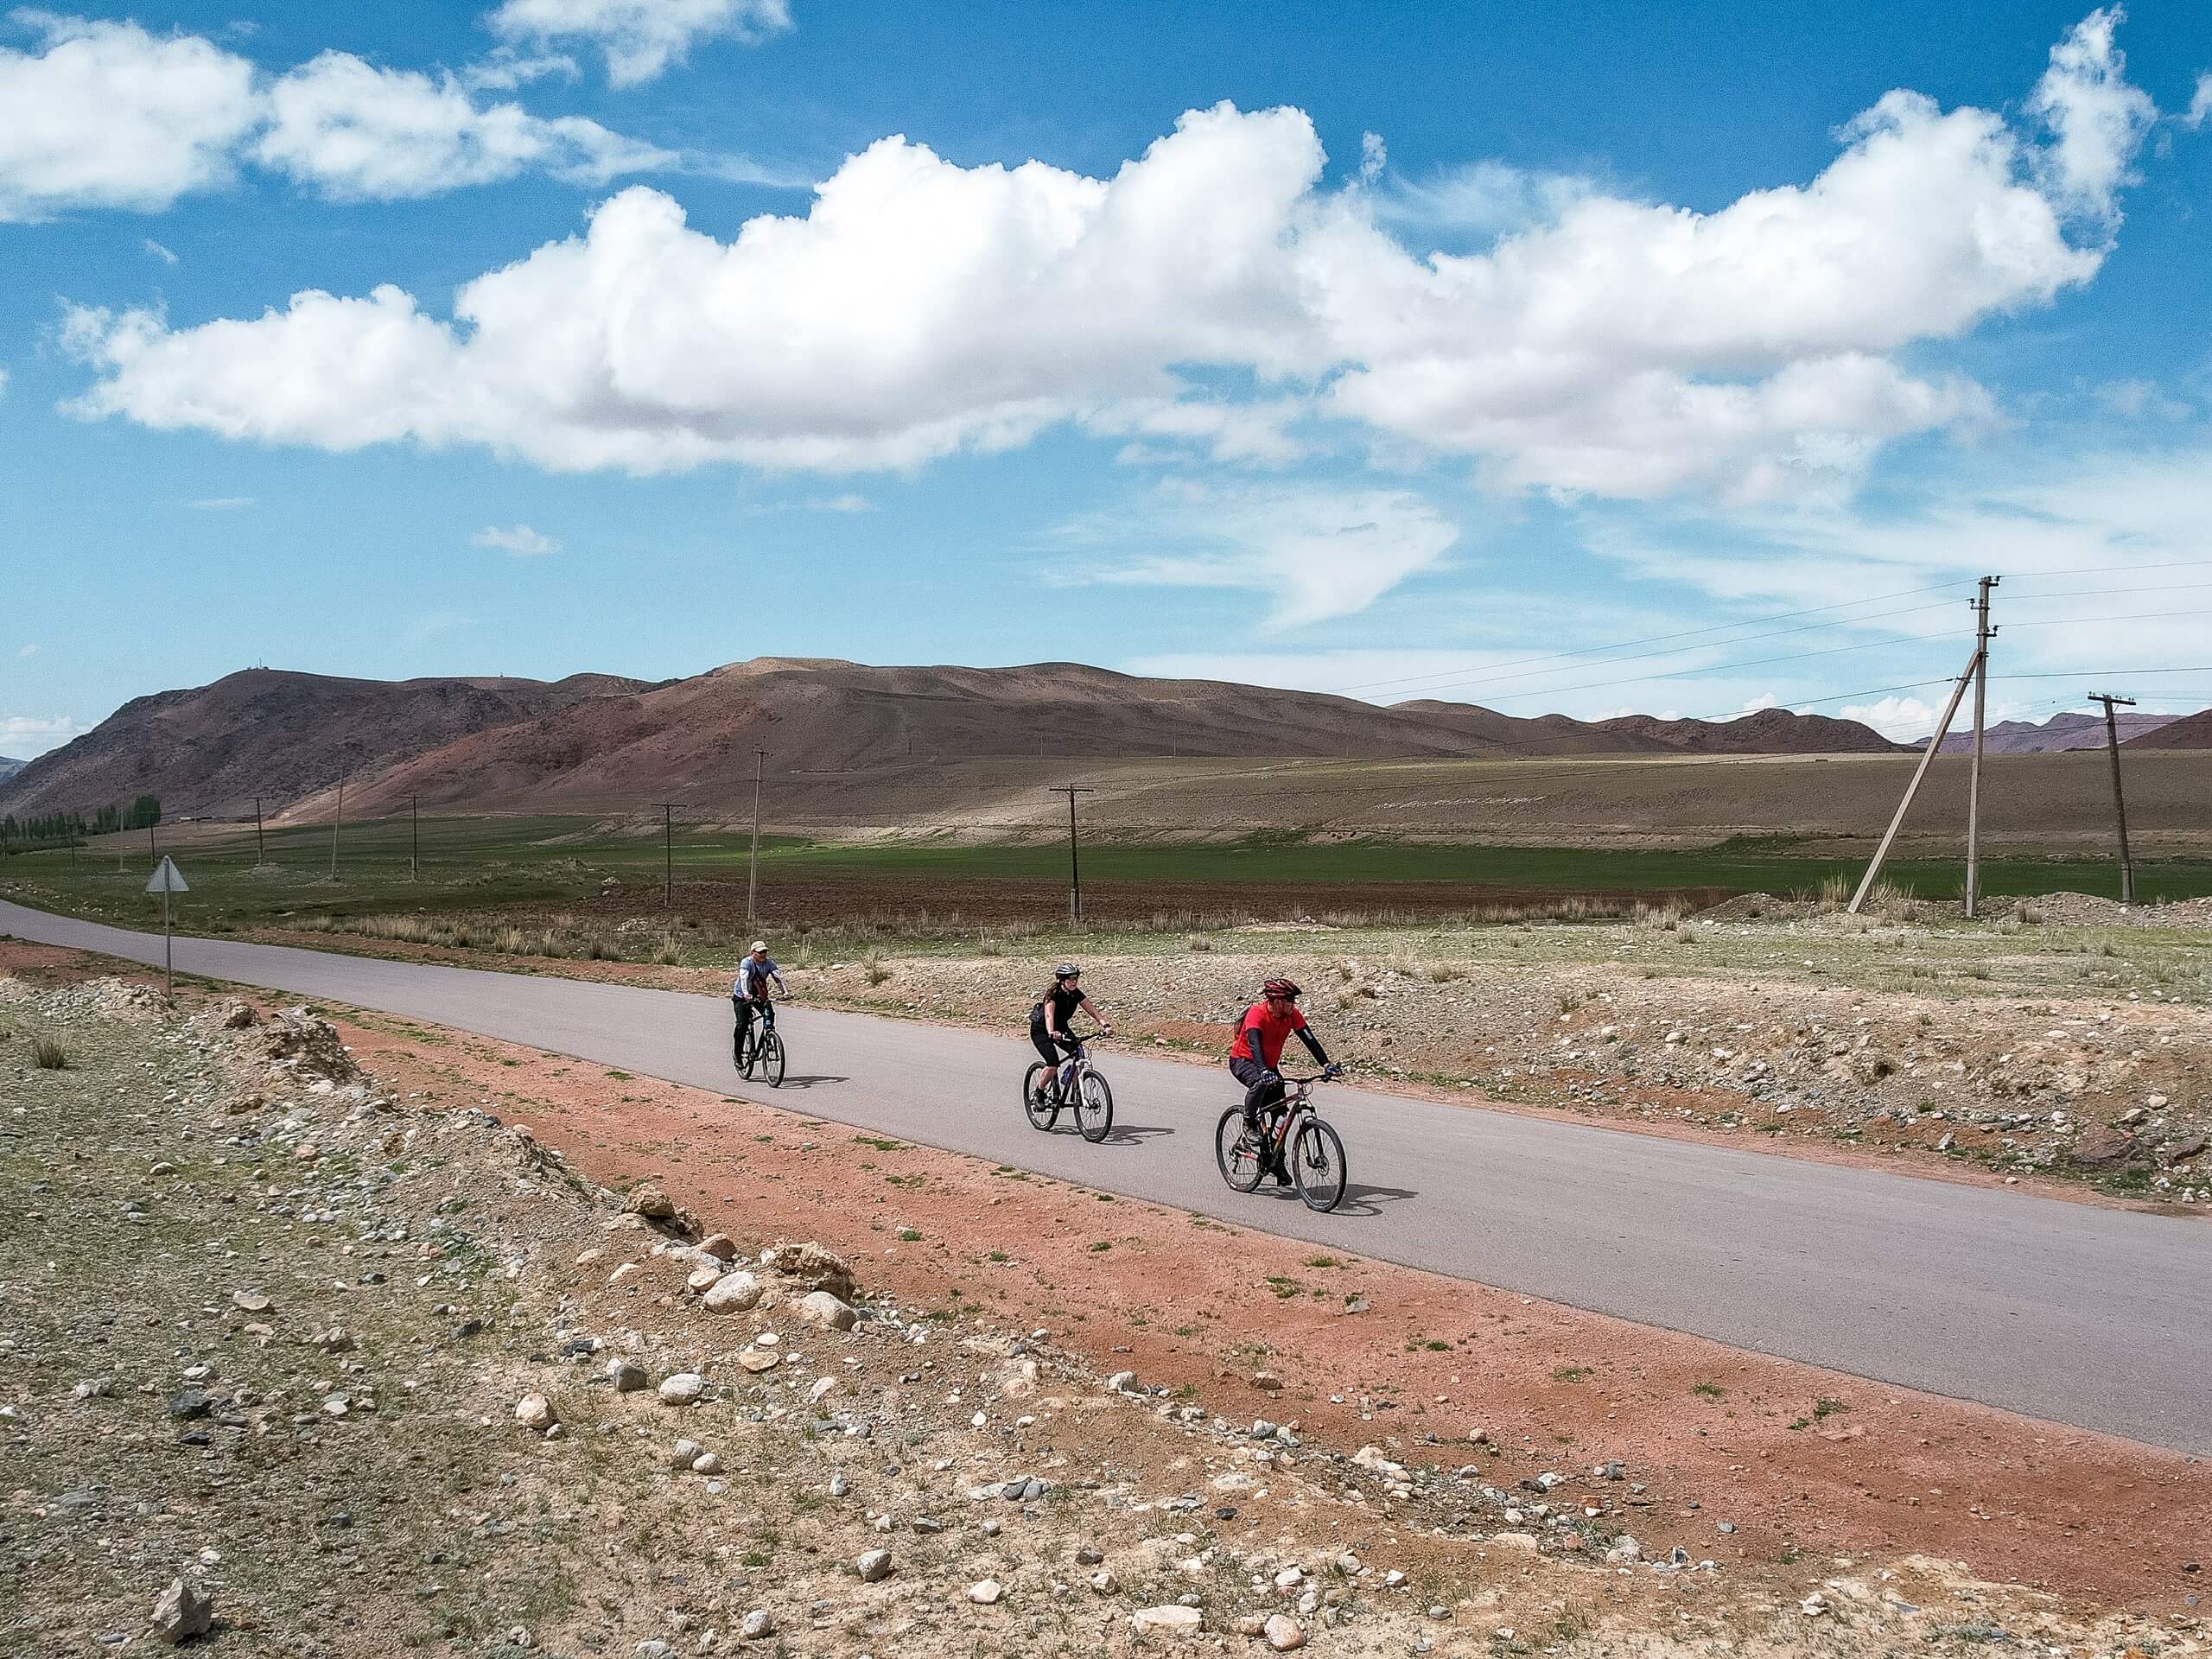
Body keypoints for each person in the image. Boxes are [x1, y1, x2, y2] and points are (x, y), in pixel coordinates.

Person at [1229, 977, 1338, 1181]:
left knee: (1281, 1115)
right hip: (1243, 1061)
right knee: (1260, 1083)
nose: (1293, 1005)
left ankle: (1275, 1158)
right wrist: (1262, 1071)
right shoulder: (1257, 1014)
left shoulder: (1291, 1015)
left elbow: (1309, 1039)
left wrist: (1326, 1064)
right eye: (1290, 1000)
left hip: (1268, 1067)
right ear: (1277, 1001)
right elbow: (1254, 1045)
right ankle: (1249, 1123)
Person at [1029, 963, 1111, 1105]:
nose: (1074, 982)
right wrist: (1051, 1032)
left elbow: (1091, 1010)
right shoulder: (1053, 994)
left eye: (1076, 978)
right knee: (1052, 1064)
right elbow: (1049, 1016)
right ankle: (1039, 1092)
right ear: (1062, 980)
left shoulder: (1075, 993)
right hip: (1042, 1030)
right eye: (1070, 979)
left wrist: (1105, 1025)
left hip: (1061, 1028)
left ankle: (1073, 1084)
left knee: (1079, 1054)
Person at [732, 941, 785, 1065]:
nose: (763, 954)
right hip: (742, 996)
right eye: (760, 952)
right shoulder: (747, 963)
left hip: (759, 995)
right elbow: (743, 980)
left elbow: (778, 978)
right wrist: (746, 995)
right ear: (752, 953)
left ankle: (769, 1037)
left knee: (769, 1014)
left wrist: (785, 992)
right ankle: (738, 1054)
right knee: (742, 1024)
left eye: (765, 952)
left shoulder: (769, 963)